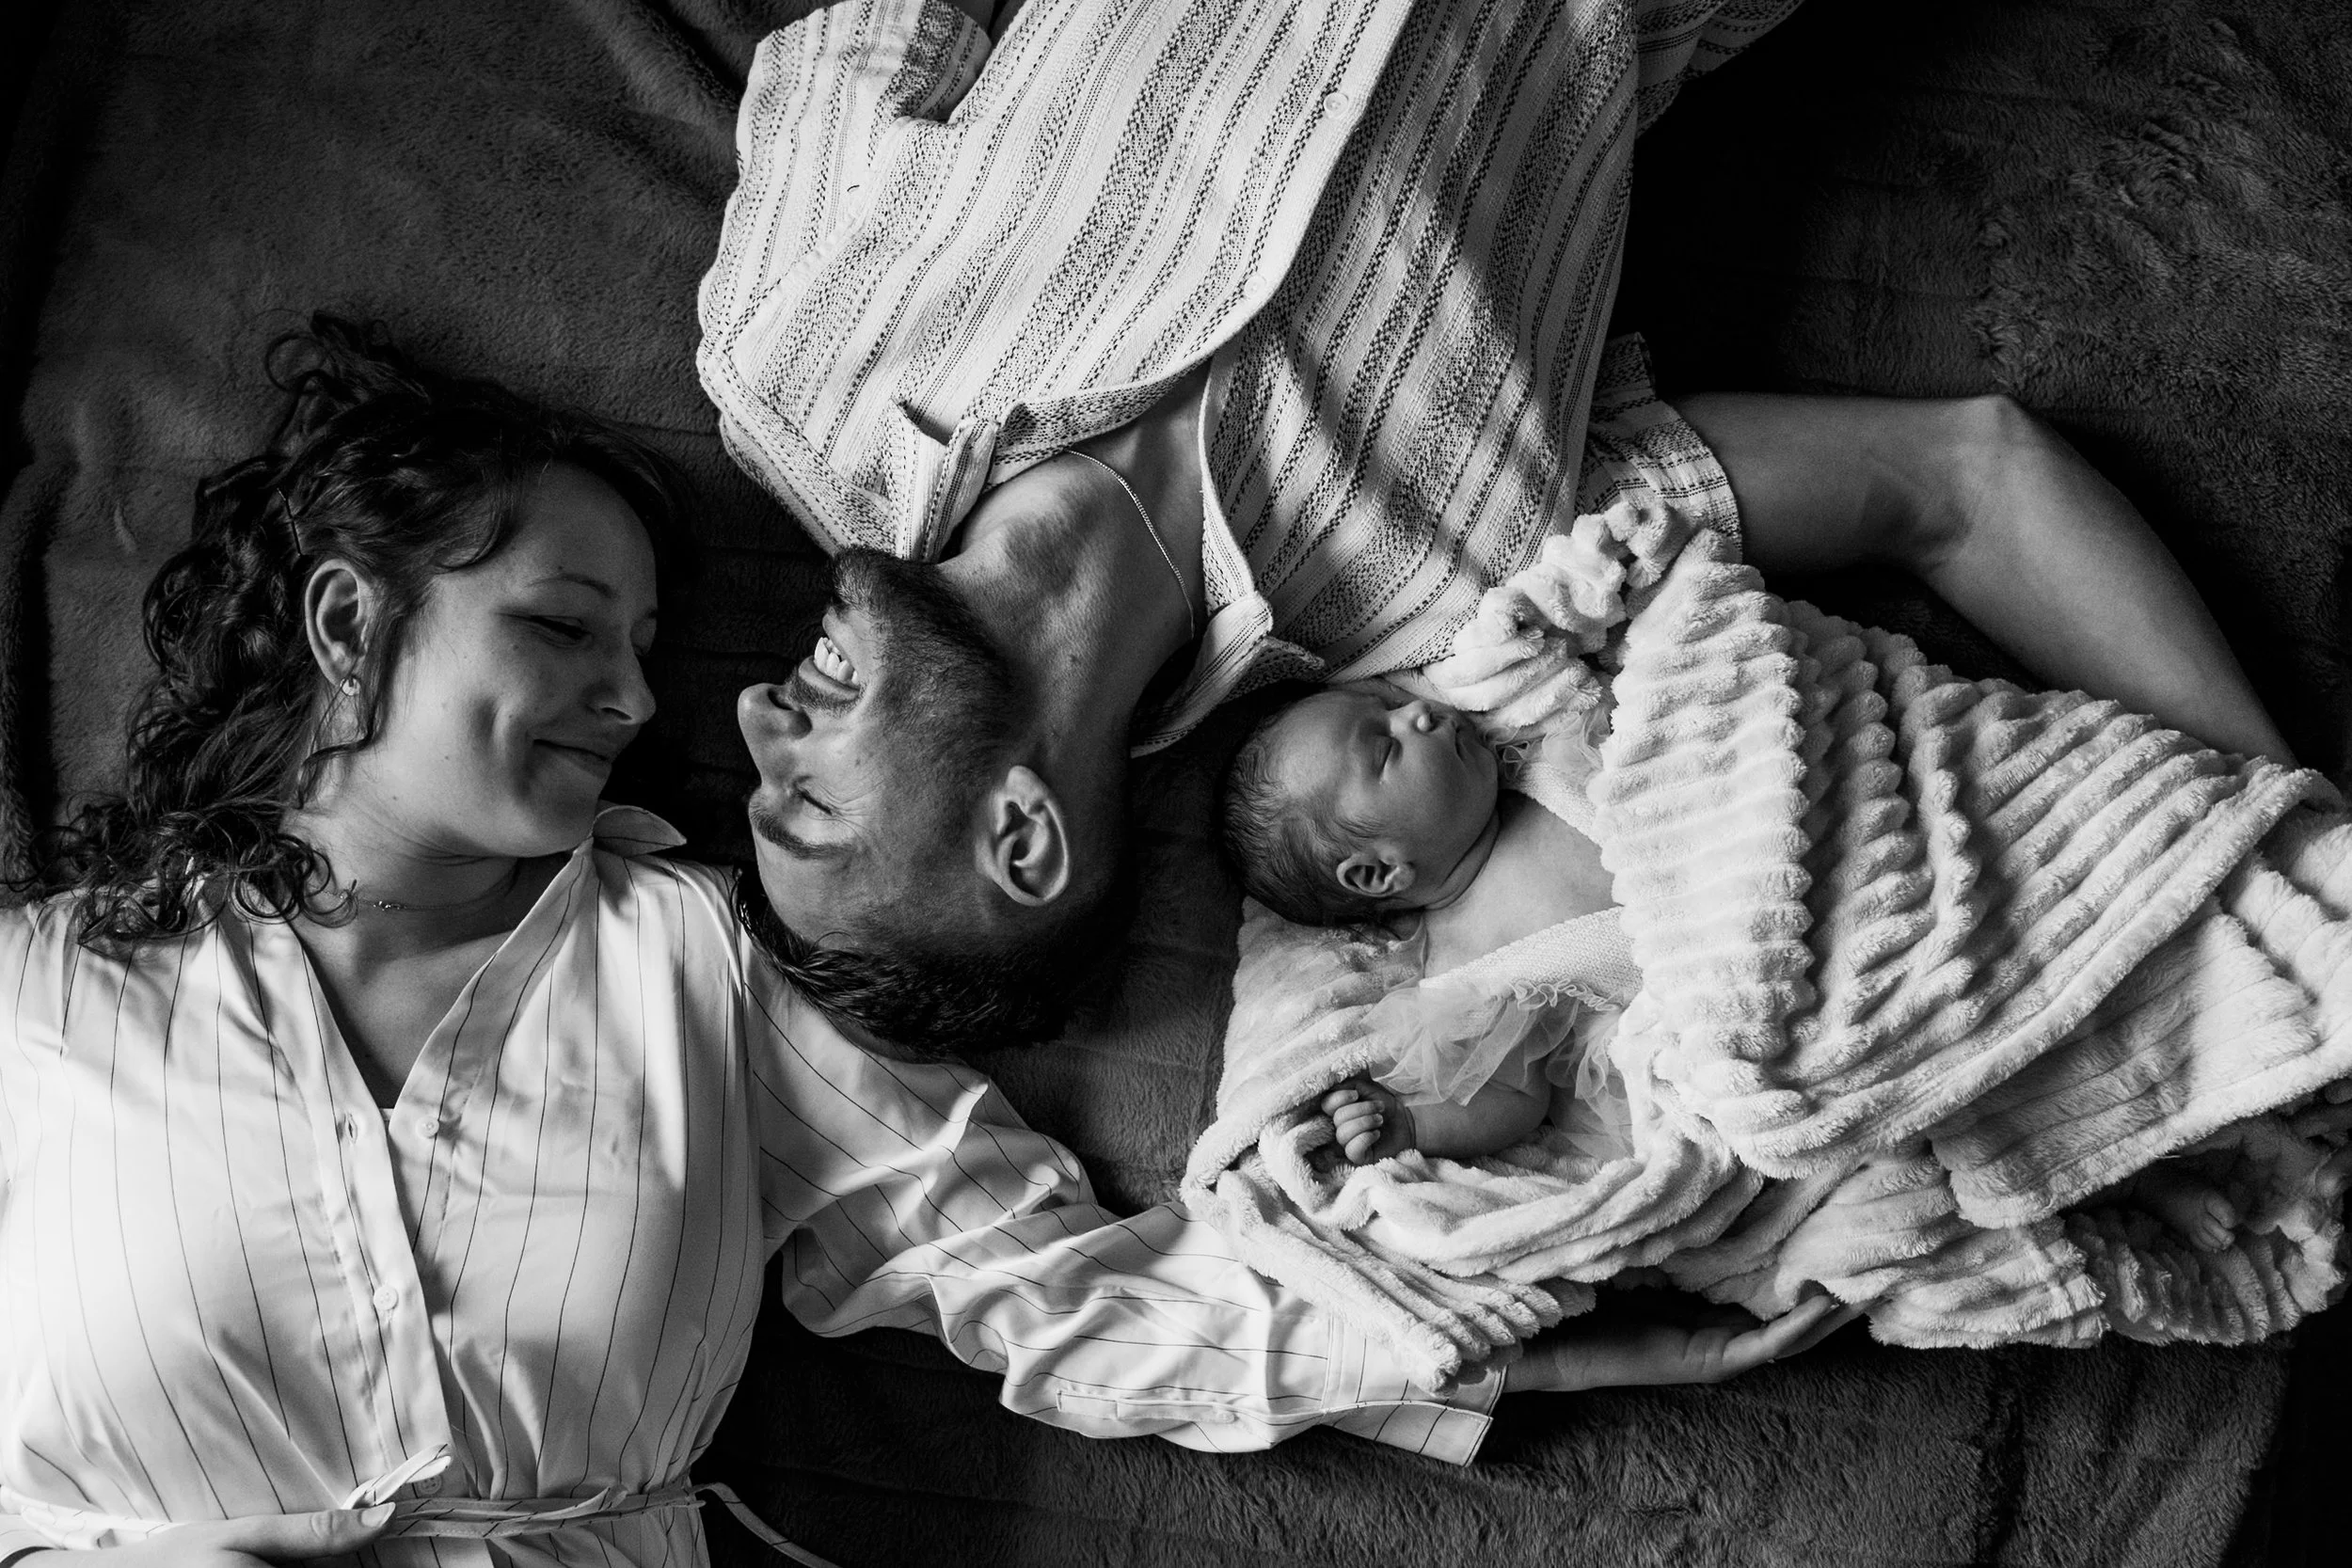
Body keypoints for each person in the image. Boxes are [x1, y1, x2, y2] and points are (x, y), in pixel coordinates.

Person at [0, 322, 1858, 1568]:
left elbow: (1072, 1292)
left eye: (645, 645)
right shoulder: (36, 999)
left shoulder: (696, 968)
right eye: (567, 627)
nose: (639, 693)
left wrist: (1491, 1307)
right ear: (348, 620)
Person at [704, 0, 2295, 1060]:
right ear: (1023, 839)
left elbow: (870, 34)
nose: (755, 716)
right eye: (807, 806)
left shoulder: (791, 363)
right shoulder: (1461, 614)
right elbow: (1966, 484)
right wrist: (2301, 857)